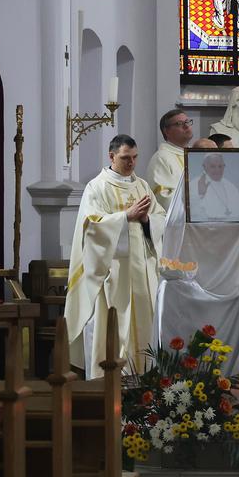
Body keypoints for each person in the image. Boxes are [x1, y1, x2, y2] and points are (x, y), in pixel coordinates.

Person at [64, 135, 166, 378]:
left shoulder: (142, 186)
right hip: (113, 272)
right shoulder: (97, 187)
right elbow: (91, 226)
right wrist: (124, 217)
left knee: (145, 325)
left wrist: (147, 220)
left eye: (135, 157)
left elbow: (161, 217)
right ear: (111, 156)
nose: (132, 163)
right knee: (114, 326)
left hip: (142, 271)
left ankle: (146, 379)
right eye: (125, 158)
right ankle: (110, 381)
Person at [145, 110, 194, 211]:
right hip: (181, 217)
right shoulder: (161, 158)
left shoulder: (194, 155)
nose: (186, 126)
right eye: (179, 124)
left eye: (187, 122)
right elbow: (163, 197)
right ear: (167, 131)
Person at [189, 152, 239, 222]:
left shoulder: (229, 185)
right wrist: (201, 195)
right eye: (212, 166)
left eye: (220, 166)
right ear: (204, 167)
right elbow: (192, 213)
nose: (217, 170)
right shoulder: (195, 184)